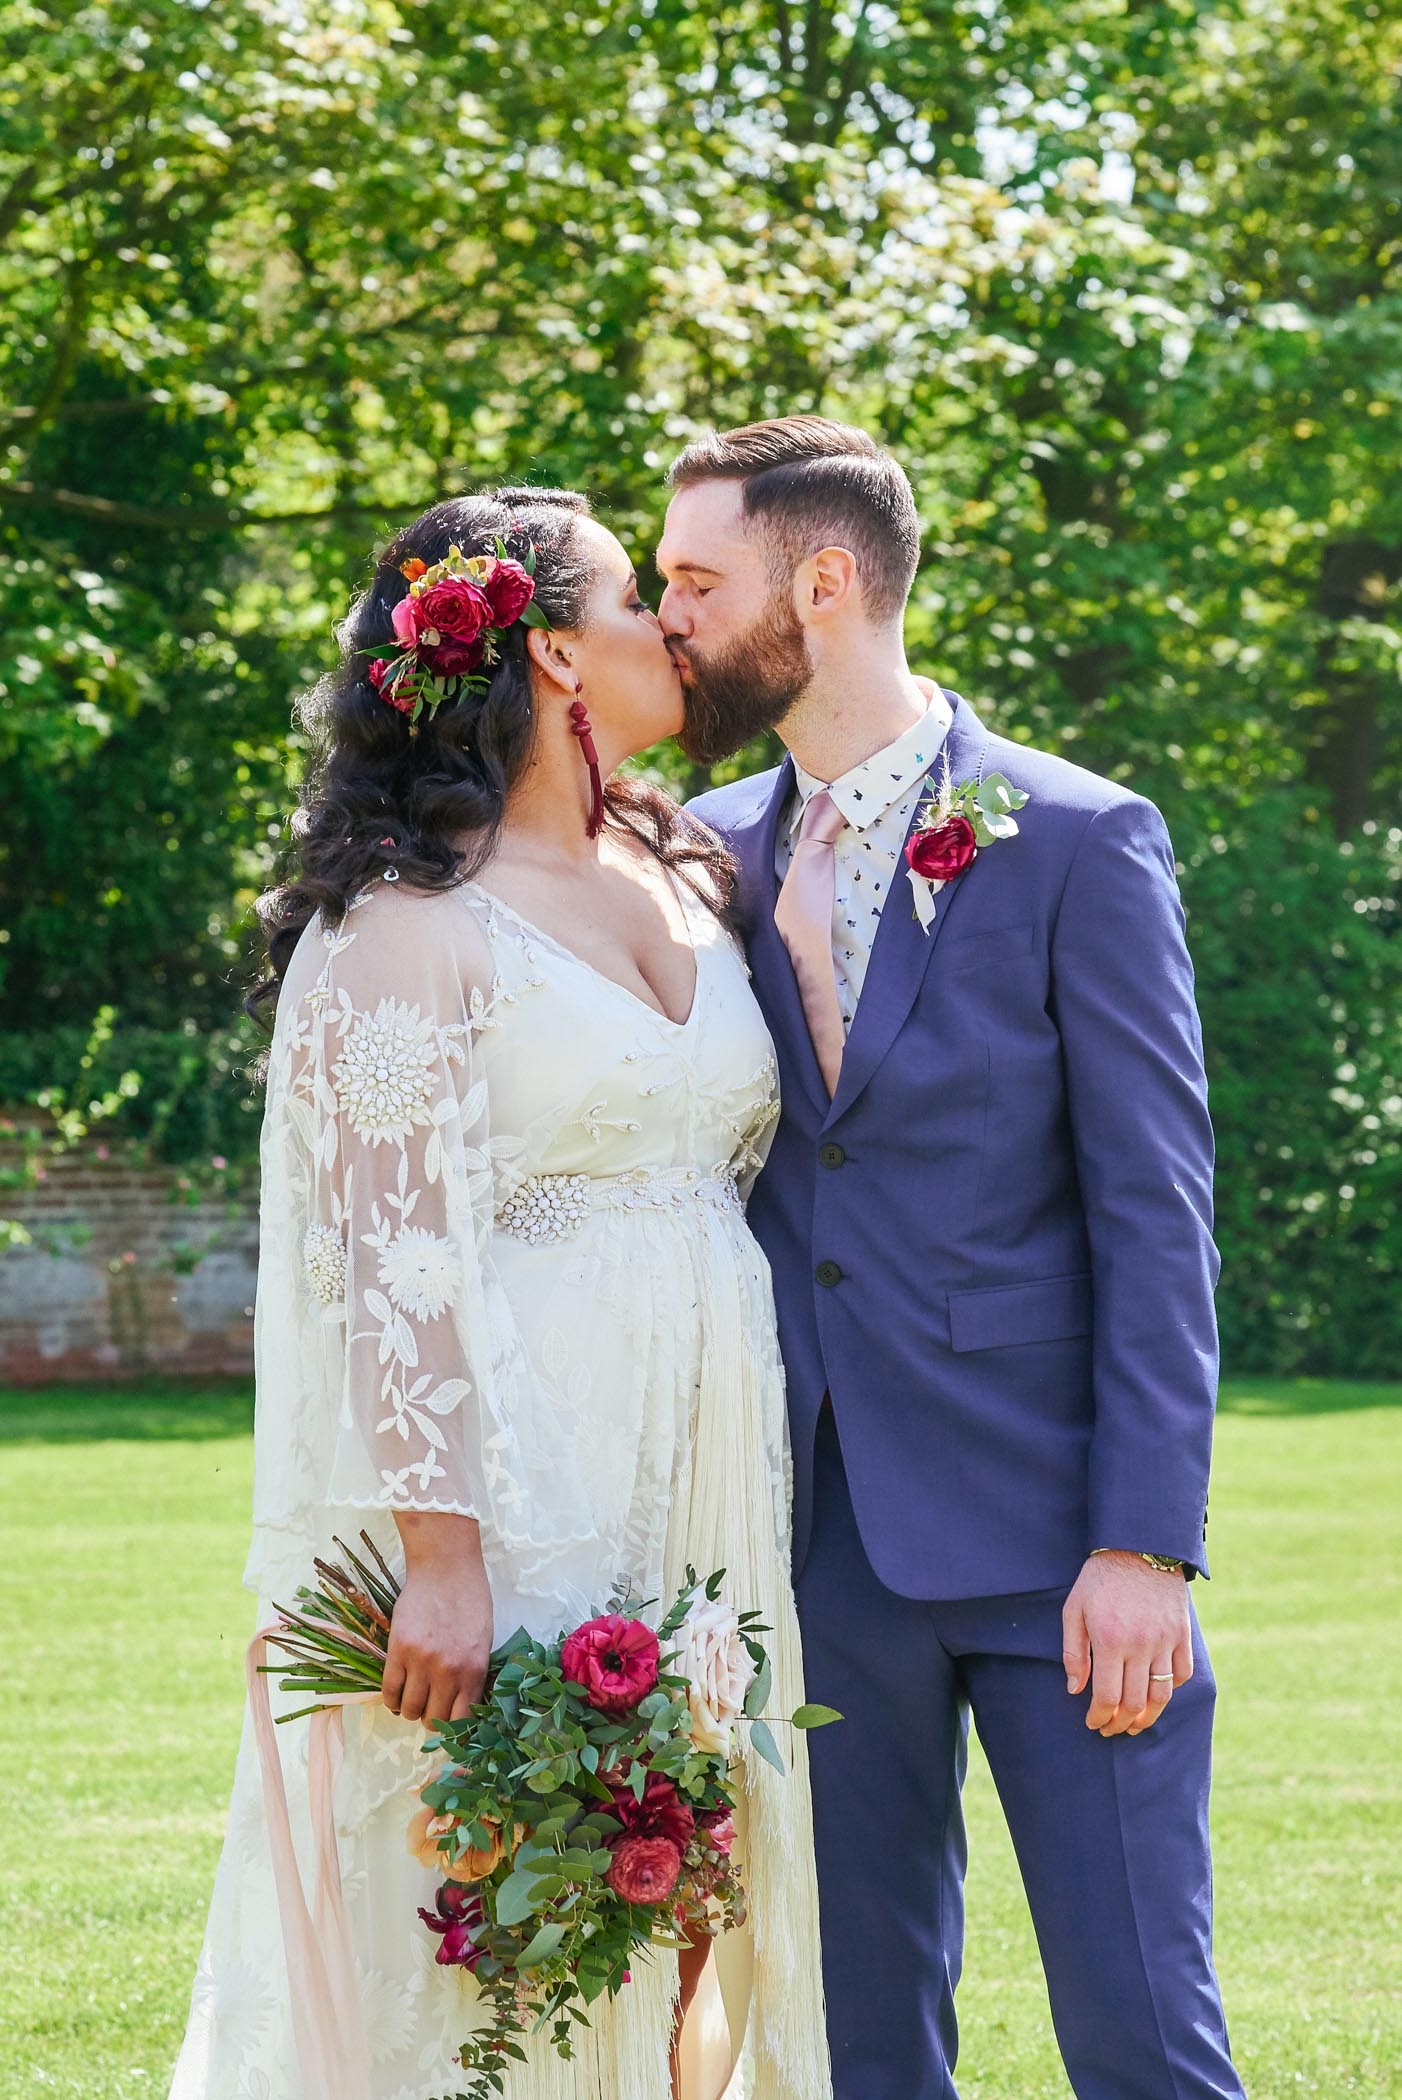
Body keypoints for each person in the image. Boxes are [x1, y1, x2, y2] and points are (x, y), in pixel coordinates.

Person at [168, 488, 831, 2100]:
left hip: (708, 1460)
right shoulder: (405, 925)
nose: (669, 624)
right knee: (511, 1916)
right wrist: (442, 1561)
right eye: (632, 600)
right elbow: (388, 1262)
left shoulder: (688, 872)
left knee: (689, 1907)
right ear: (547, 653)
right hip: (524, 1472)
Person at [665, 416, 1245, 2100]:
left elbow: (1154, 1211)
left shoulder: (1075, 838)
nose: (671, 615)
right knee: (860, 2038)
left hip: (1059, 1545)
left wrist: (1143, 1539)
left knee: (1140, 2027)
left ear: (824, 583)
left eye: (700, 580)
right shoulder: (698, 850)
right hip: (815, 1547)